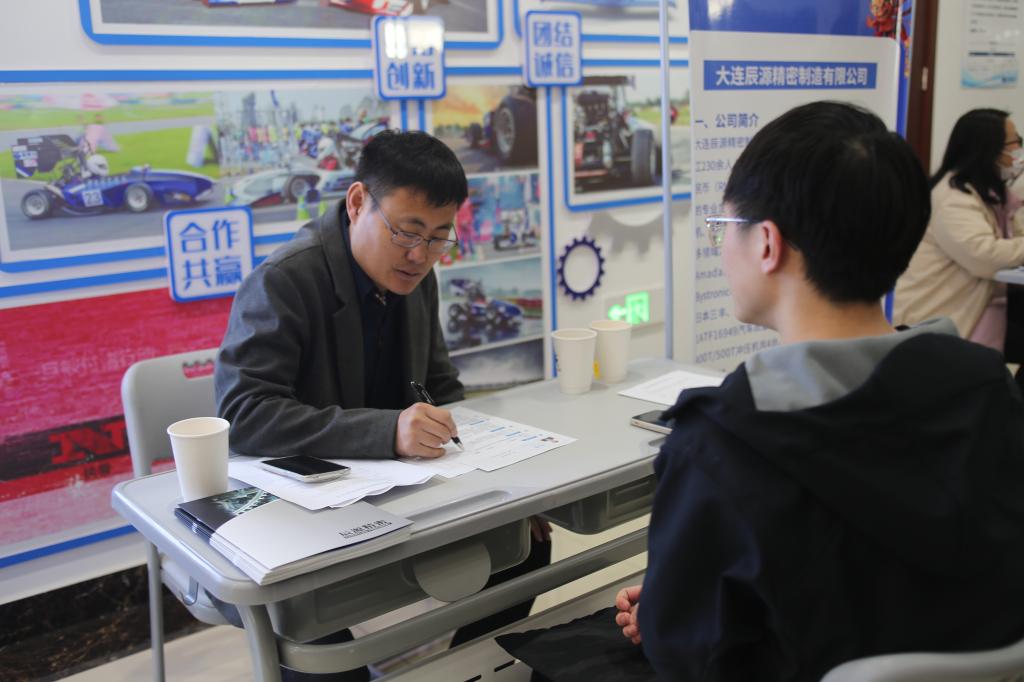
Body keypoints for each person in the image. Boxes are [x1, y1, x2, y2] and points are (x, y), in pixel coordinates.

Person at [612, 101, 1024, 681]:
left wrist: (663, 611)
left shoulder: (721, 443)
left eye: (723, 228)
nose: (720, 247)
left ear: (767, 244)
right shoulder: (988, 388)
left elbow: (688, 654)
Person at [215, 130, 551, 681]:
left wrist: (505, 489)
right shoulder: (284, 281)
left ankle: (463, 672)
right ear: (357, 203)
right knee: (310, 629)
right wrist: (387, 432)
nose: (420, 255)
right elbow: (243, 414)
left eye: (439, 237)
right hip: (297, 514)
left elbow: (439, 386)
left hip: (385, 496)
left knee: (524, 547)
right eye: (407, 232)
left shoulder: (417, 278)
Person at [894, 108, 1024, 352]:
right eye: (1015, 143)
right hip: (945, 316)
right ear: (989, 149)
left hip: (981, 305)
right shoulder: (952, 197)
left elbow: (1017, 238)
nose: (1018, 151)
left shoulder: (992, 193)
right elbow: (985, 256)